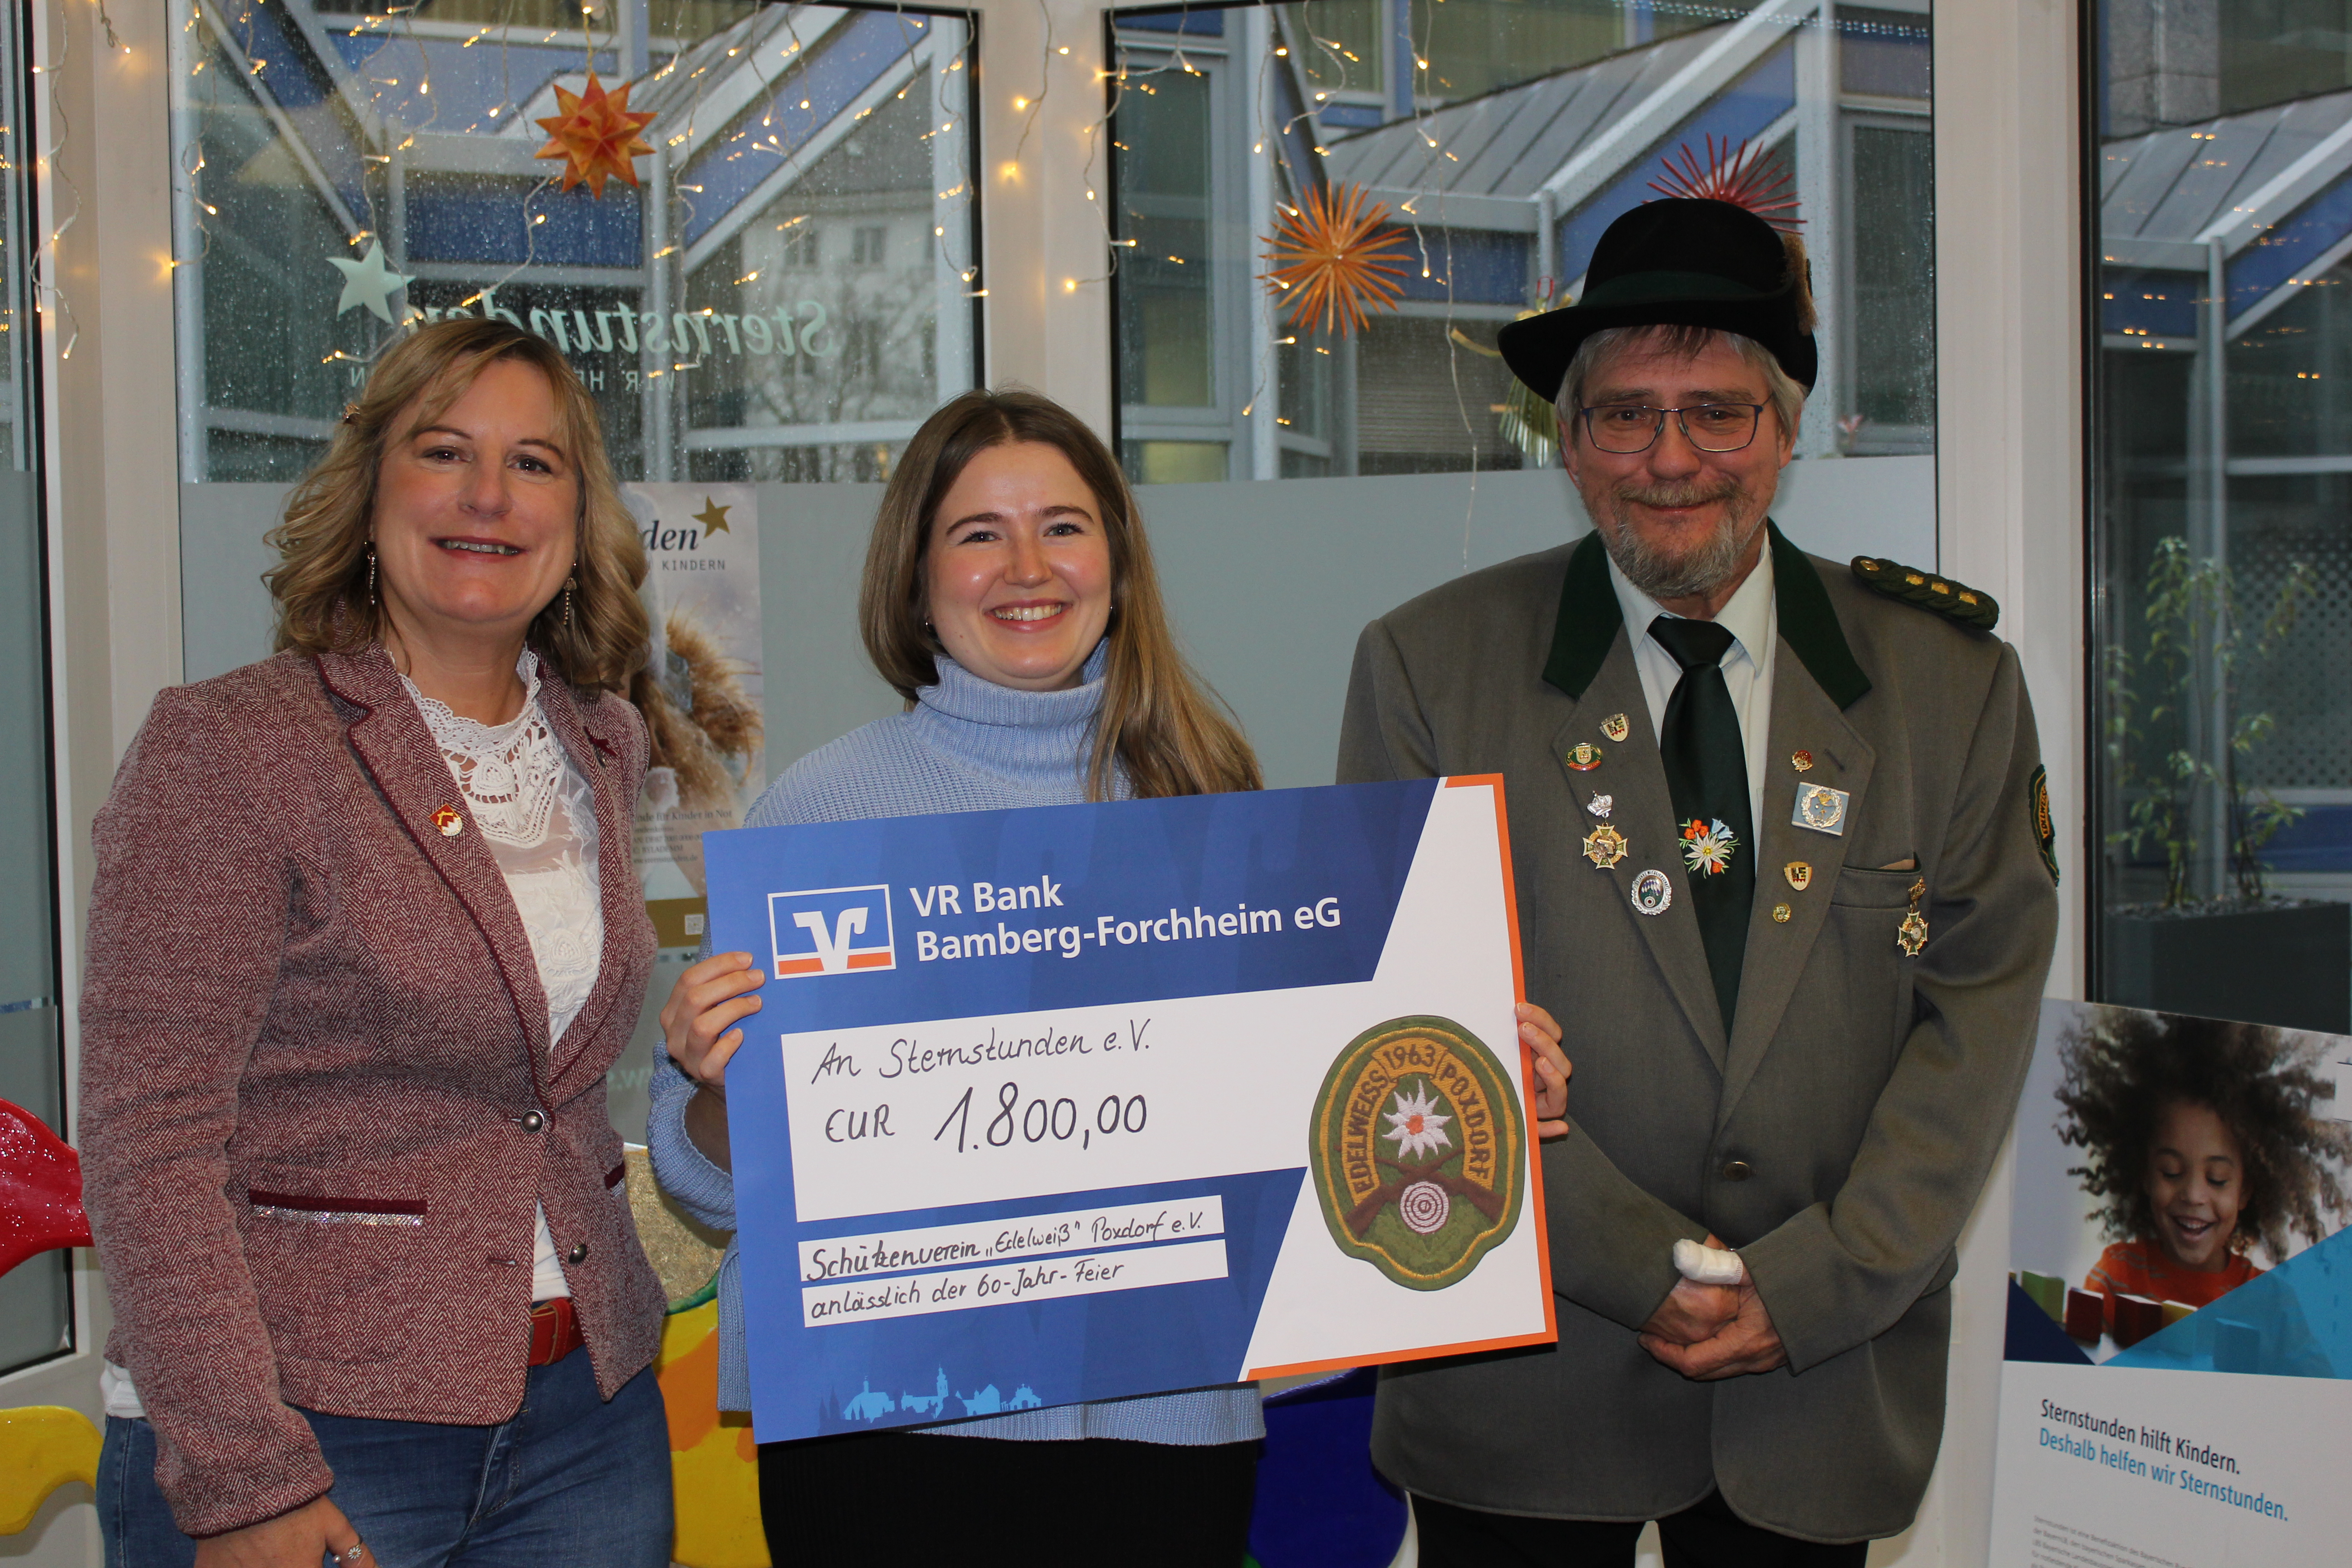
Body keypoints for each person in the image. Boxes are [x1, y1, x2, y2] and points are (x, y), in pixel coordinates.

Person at [646, 387, 1570, 1567]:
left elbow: (1299, 1140)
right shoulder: (822, 820)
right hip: (890, 1440)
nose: (1026, 566)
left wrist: (1479, 1078)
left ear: (1118, 564)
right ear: (915, 575)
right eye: (978, 532)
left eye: (1064, 526)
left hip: (1167, 1438)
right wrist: (716, 1075)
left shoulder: (1215, 807)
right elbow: (714, 1191)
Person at [1337, 196, 2062, 1563]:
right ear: (1568, 441)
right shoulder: (1430, 669)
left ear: (1787, 434)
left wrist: (1810, 1287)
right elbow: (1408, 1033)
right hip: (1525, 1375)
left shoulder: (1949, 686)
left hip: (1821, 1378)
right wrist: (1636, 1269)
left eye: (1718, 412)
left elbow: (1977, 1020)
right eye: (1626, 414)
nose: (1671, 459)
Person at [79, 318, 672, 1567]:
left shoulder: (601, 744)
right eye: (444, 451)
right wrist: (248, 1481)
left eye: (535, 463)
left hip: (590, 1416)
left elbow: (540, 1094)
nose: (487, 497)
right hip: (316, 1438)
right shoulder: (233, 749)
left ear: (578, 519)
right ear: (368, 494)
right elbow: (149, 1143)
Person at [2057, 1010, 2351, 1319]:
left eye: (2218, 1178)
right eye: (2171, 1171)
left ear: (2245, 1191)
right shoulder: (2115, 1278)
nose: (2194, 1195)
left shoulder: (2270, 1302)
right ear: (2144, 1174)